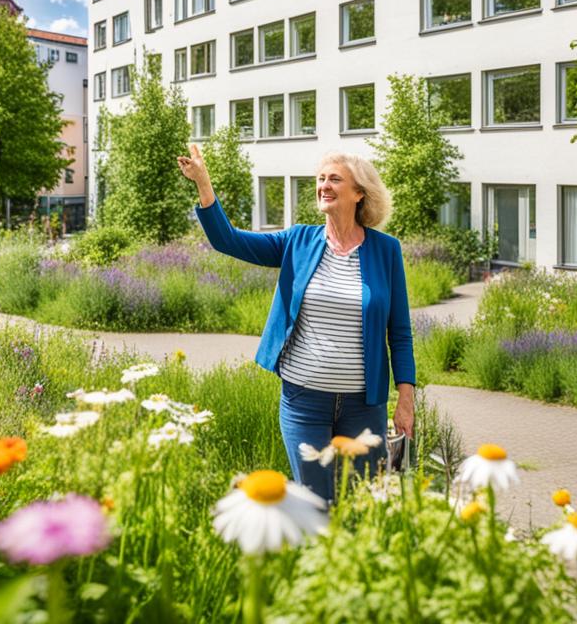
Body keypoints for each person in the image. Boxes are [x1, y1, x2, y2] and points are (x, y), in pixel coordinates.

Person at [177, 145, 415, 501]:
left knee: (364, 503)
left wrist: (406, 399)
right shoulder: (298, 241)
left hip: (364, 405)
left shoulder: (386, 250)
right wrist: (203, 183)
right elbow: (228, 240)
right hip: (304, 401)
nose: (324, 185)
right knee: (316, 503)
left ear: (359, 193)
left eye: (335, 179)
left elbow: (399, 333)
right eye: (321, 179)